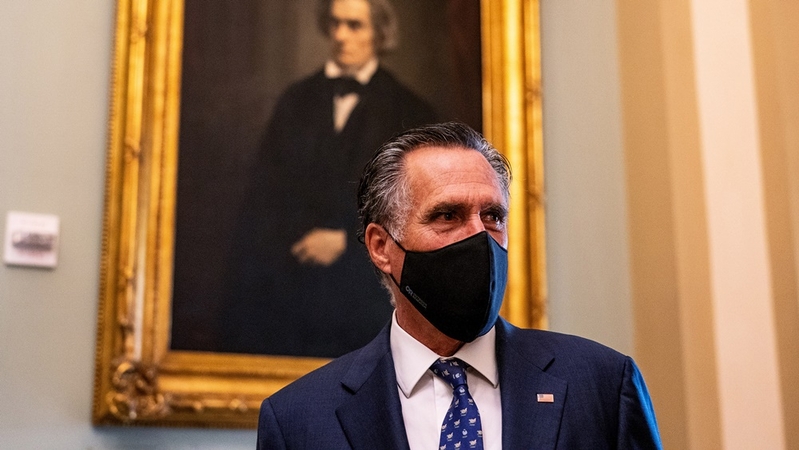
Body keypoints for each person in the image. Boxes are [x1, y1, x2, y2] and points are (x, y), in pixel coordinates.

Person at [256, 122, 663, 449]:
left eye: (492, 216)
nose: (479, 237)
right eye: (447, 215)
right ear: (381, 246)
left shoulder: (603, 385)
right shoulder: (299, 420)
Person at [220, 0, 437, 357]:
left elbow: (415, 212)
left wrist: (346, 241)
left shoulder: (409, 110)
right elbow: (263, 198)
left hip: (366, 296)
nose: (340, 36)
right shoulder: (295, 101)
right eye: (334, 24)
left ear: (379, 34)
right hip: (290, 284)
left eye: (354, 26)